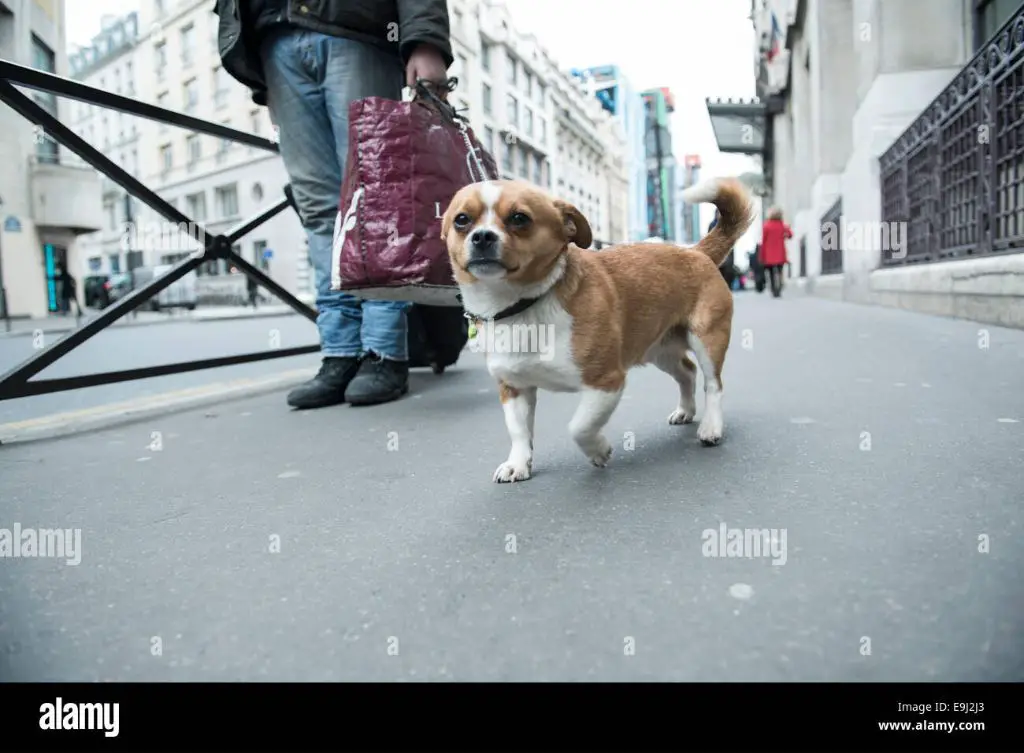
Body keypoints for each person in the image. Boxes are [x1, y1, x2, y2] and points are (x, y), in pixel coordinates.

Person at [216, 1, 453, 408]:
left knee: (375, 197)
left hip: (356, 27)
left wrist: (426, 40)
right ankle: (340, 352)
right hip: (274, 39)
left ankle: (382, 352)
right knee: (319, 209)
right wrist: (259, 73)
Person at [760, 207, 792, 298]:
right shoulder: (782, 225)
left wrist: (762, 256)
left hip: (769, 253)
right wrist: (787, 230)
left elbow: (763, 241)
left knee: (770, 273)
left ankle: (774, 290)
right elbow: (790, 235)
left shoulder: (766, 225)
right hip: (780, 252)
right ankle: (780, 286)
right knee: (780, 271)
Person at [707, 210, 738, 289]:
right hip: (716, 251)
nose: (720, 215)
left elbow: (732, 237)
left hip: (727, 251)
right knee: (718, 272)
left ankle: (727, 288)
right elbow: (709, 238)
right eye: (718, 213)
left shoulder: (728, 224)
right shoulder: (712, 224)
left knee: (728, 271)